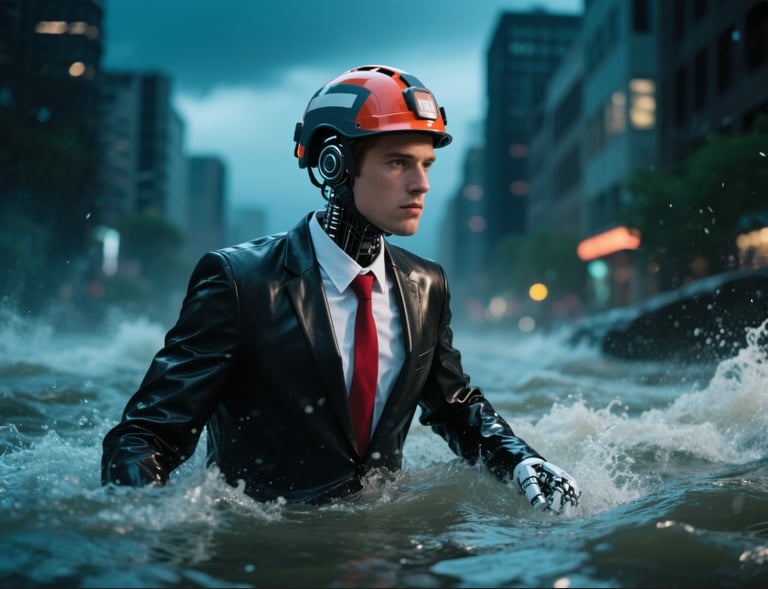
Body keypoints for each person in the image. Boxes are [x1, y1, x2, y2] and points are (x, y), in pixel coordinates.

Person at [101, 64, 580, 514]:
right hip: (259, 555)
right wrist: (144, 534)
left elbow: (455, 407)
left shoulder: (426, 285)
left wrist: (519, 460)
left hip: (386, 551)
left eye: (427, 164)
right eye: (398, 163)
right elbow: (148, 436)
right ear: (335, 164)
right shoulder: (238, 280)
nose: (421, 185)